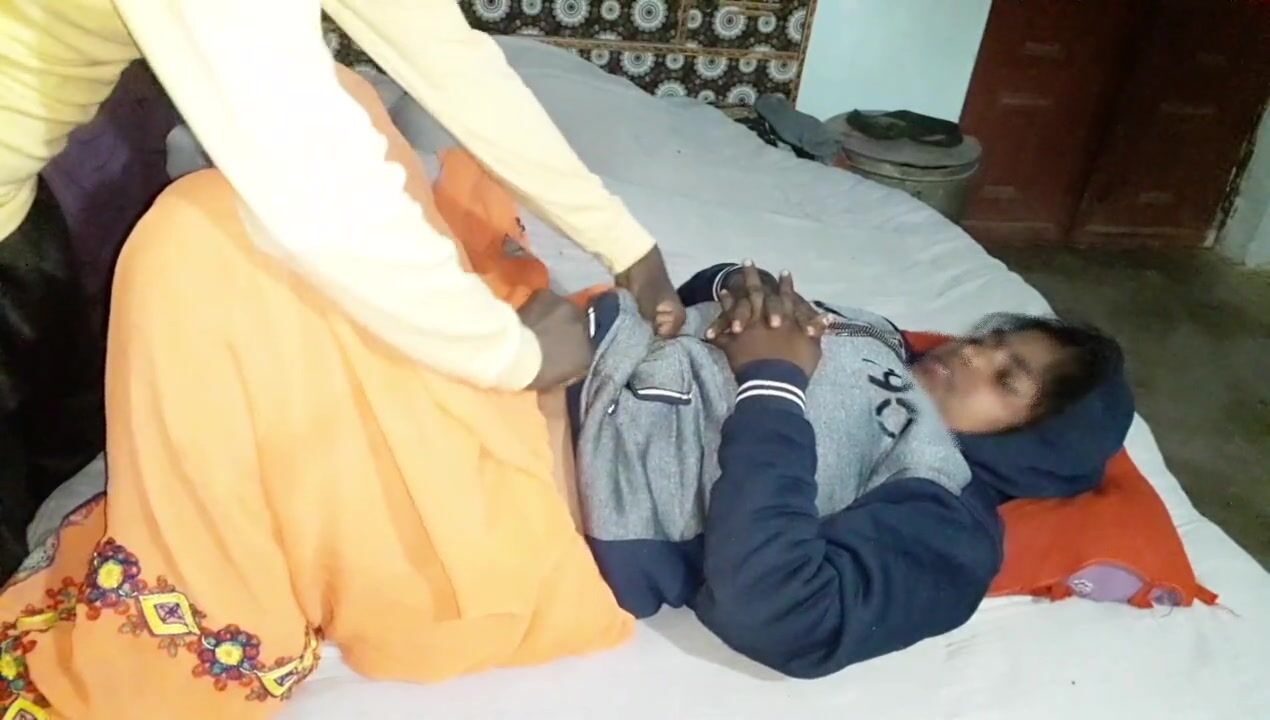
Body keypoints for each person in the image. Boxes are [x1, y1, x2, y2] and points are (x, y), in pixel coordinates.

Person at [0, 0, 685, 575]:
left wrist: (626, 244)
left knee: (60, 450)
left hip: (19, 201)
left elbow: (449, 61)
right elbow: (313, 184)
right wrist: (510, 353)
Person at [571, 263, 1134, 678]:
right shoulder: (879, 334)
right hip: (584, 341)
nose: (971, 354)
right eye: (989, 340)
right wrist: (742, 288)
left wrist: (771, 382)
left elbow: (785, 616)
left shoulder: (947, 512)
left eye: (1006, 380)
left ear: (1031, 445)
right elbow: (696, 294)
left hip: (582, 465)